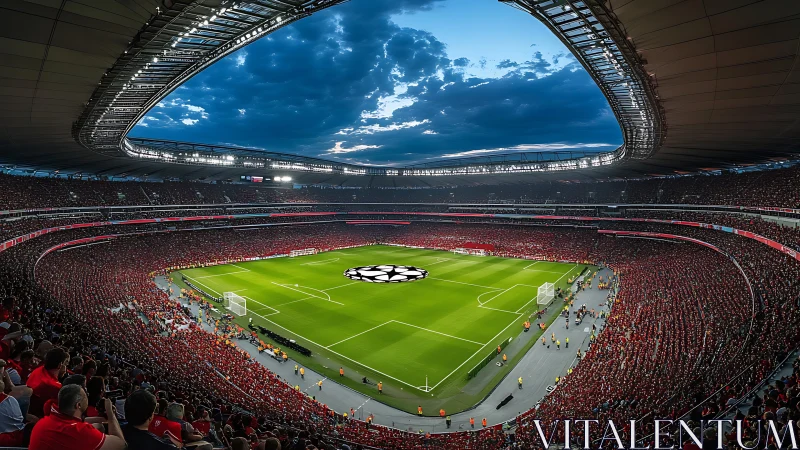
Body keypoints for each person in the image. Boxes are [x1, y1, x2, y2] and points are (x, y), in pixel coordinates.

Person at [29, 384, 126, 450]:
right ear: (78, 405)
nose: (87, 395)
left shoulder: (44, 421)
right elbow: (121, 444)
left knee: (98, 426)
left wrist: (100, 421)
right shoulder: (79, 431)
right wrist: (111, 413)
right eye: (85, 395)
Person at [26, 347, 68, 417]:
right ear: (60, 365)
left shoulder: (38, 370)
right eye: (66, 364)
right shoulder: (55, 387)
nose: (67, 368)